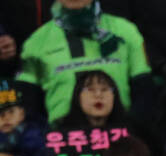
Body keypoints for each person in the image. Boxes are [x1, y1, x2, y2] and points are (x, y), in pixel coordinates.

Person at [15, 0, 152, 122]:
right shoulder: (36, 42)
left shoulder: (125, 30)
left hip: (120, 136)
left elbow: (144, 90)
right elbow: (28, 104)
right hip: (61, 139)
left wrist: (133, 129)